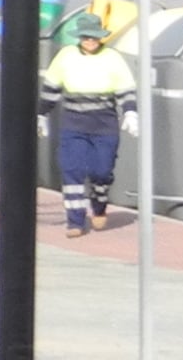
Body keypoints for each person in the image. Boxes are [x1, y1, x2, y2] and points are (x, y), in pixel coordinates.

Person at [40, 20, 138, 233]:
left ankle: (99, 201)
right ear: (79, 37)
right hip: (73, 123)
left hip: (104, 124)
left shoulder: (113, 58)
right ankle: (75, 221)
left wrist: (130, 112)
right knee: (71, 170)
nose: (90, 41)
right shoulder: (66, 56)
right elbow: (51, 88)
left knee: (101, 171)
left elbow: (125, 89)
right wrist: (41, 114)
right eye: (85, 37)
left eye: (94, 36)